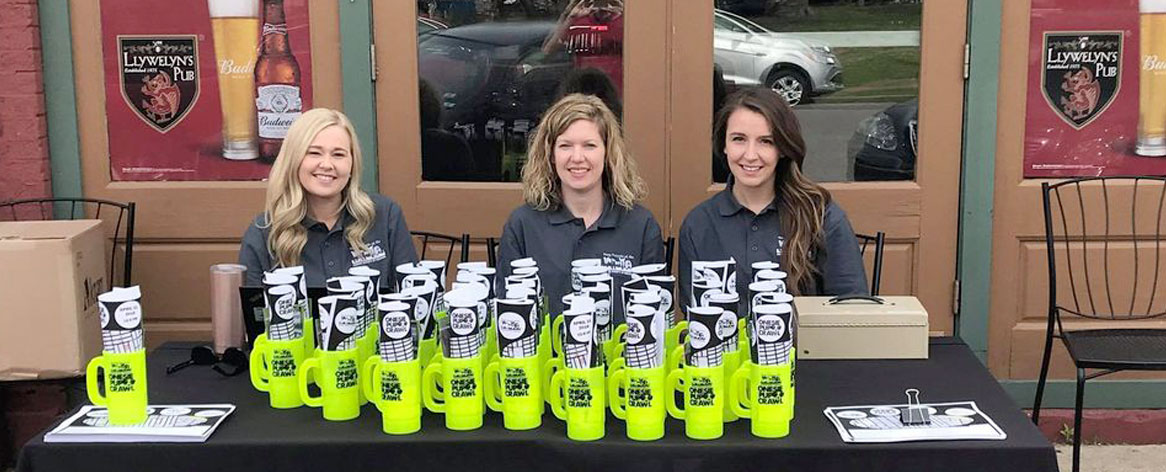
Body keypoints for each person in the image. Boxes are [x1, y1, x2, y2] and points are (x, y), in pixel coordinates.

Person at [679, 87, 868, 313]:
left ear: (783, 148)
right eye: (739, 139)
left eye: (766, 141)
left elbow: (853, 310)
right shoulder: (699, 224)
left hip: (810, 348)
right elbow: (695, 316)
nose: (750, 155)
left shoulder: (821, 216)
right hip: (726, 348)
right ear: (724, 145)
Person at [497, 93, 664, 318]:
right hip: (547, 353)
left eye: (589, 145)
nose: (577, 157)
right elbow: (509, 314)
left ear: (607, 153)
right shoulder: (522, 225)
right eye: (565, 145)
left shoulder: (641, 225)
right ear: (551, 154)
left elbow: (655, 316)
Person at [239, 108, 418, 287]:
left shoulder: (384, 215)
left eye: (338, 154)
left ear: (352, 164)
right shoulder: (264, 233)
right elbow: (254, 312)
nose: (327, 164)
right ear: (293, 160)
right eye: (314, 153)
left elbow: (414, 293)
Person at [542, 0, 625, 94]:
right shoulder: (579, 22)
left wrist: (627, 15)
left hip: (617, 90)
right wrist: (569, 17)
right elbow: (548, 50)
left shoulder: (623, 23)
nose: (602, 6)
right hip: (584, 88)